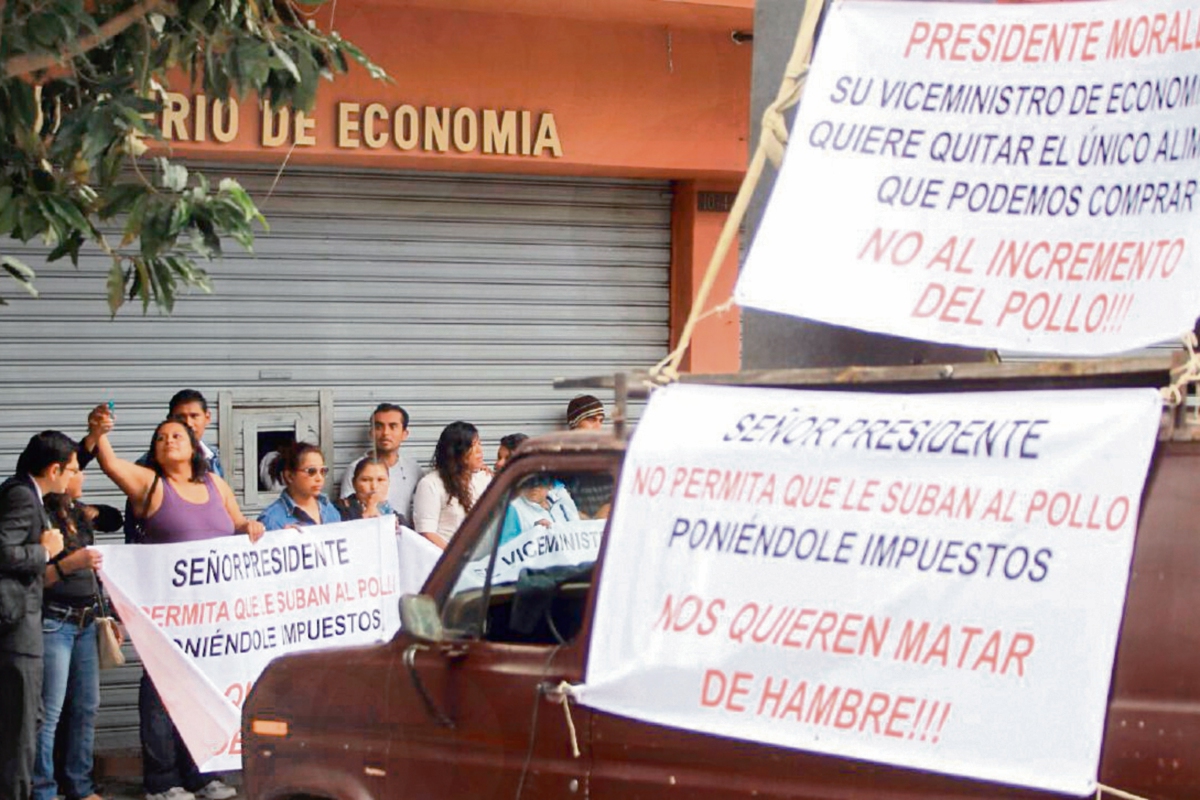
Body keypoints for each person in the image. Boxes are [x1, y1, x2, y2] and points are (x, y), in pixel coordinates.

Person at [91, 414, 260, 800]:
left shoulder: (215, 484)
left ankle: (201, 775)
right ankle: (162, 782)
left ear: (193, 444)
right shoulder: (150, 484)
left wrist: (251, 528)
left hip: (211, 613)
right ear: (154, 450)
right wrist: (99, 435)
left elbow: (237, 525)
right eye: (161, 437)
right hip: (166, 612)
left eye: (177, 435)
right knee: (160, 695)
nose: (169, 441)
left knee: (201, 690)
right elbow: (111, 464)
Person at [35, 470, 123, 800]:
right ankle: (43, 788)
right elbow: (37, 576)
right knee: (50, 711)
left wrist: (109, 614)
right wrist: (73, 562)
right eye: (73, 469)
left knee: (86, 707)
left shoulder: (78, 512)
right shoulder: (40, 514)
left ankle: (80, 785)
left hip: (87, 619)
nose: (80, 474)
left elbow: (115, 518)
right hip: (55, 621)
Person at [0, 432, 72, 800]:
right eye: (71, 470)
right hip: (16, 627)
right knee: (22, 729)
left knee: (28, 721)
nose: (75, 478)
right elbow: (2, 550)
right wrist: (43, 552)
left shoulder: (25, 492)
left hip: (20, 624)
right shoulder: (22, 497)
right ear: (54, 468)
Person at [412, 422, 491, 550]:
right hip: (447, 562)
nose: (479, 451)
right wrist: (455, 559)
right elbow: (426, 533)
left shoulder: (484, 478)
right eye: (472, 445)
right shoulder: (431, 484)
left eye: (479, 444)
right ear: (456, 451)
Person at [340, 403, 421, 519]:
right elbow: (347, 513)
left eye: (393, 426)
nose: (385, 433)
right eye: (379, 427)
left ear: (404, 434)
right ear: (371, 433)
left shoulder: (414, 469)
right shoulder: (356, 468)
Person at [258, 443, 341, 530]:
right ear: (289, 476)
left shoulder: (329, 509)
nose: (319, 478)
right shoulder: (271, 520)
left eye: (323, 471)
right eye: (311, 471)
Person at [499, 474, 580, 545]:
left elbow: (578, 529)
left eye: (540, 480)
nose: (535, 486)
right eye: (529, 480)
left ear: (549, 485)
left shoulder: (562, 501)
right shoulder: (513, 508)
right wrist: (532, 534)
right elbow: (505, 549)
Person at [334, 457, 406, 527]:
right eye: (366, 480)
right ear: (354, 483)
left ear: (388, 483)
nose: (374, 486)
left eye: (380, 480)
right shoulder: (338, 511)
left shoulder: (397, 519)